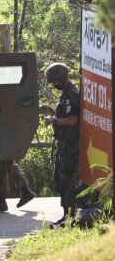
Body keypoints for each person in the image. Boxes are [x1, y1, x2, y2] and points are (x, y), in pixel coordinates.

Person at [40, 62, 80, 227]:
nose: (54, 85)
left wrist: (53, 120)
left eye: (54, 81)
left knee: (68, 180)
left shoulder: (71, 94)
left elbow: (72, 120)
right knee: (60, 180)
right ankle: (66, 215)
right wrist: (52, 111)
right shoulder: (65, 94)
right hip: (64, 145)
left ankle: (71, 217)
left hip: (70, 146)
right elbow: (66, 114)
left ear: (61, 79)